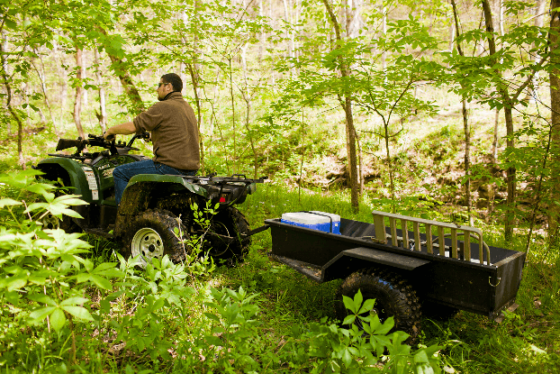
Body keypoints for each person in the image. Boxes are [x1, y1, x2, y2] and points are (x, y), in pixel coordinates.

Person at [104, 73, 200, 205]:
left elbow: (133, 127)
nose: (157, 89)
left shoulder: (163, 106)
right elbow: (176, 132)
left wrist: (110, 131)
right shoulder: (187, 107)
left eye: (159, 85)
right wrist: (152, 135)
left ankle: (124, 219)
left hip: (169, 167)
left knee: (120, 172)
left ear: (168, 87)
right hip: (191, 169)